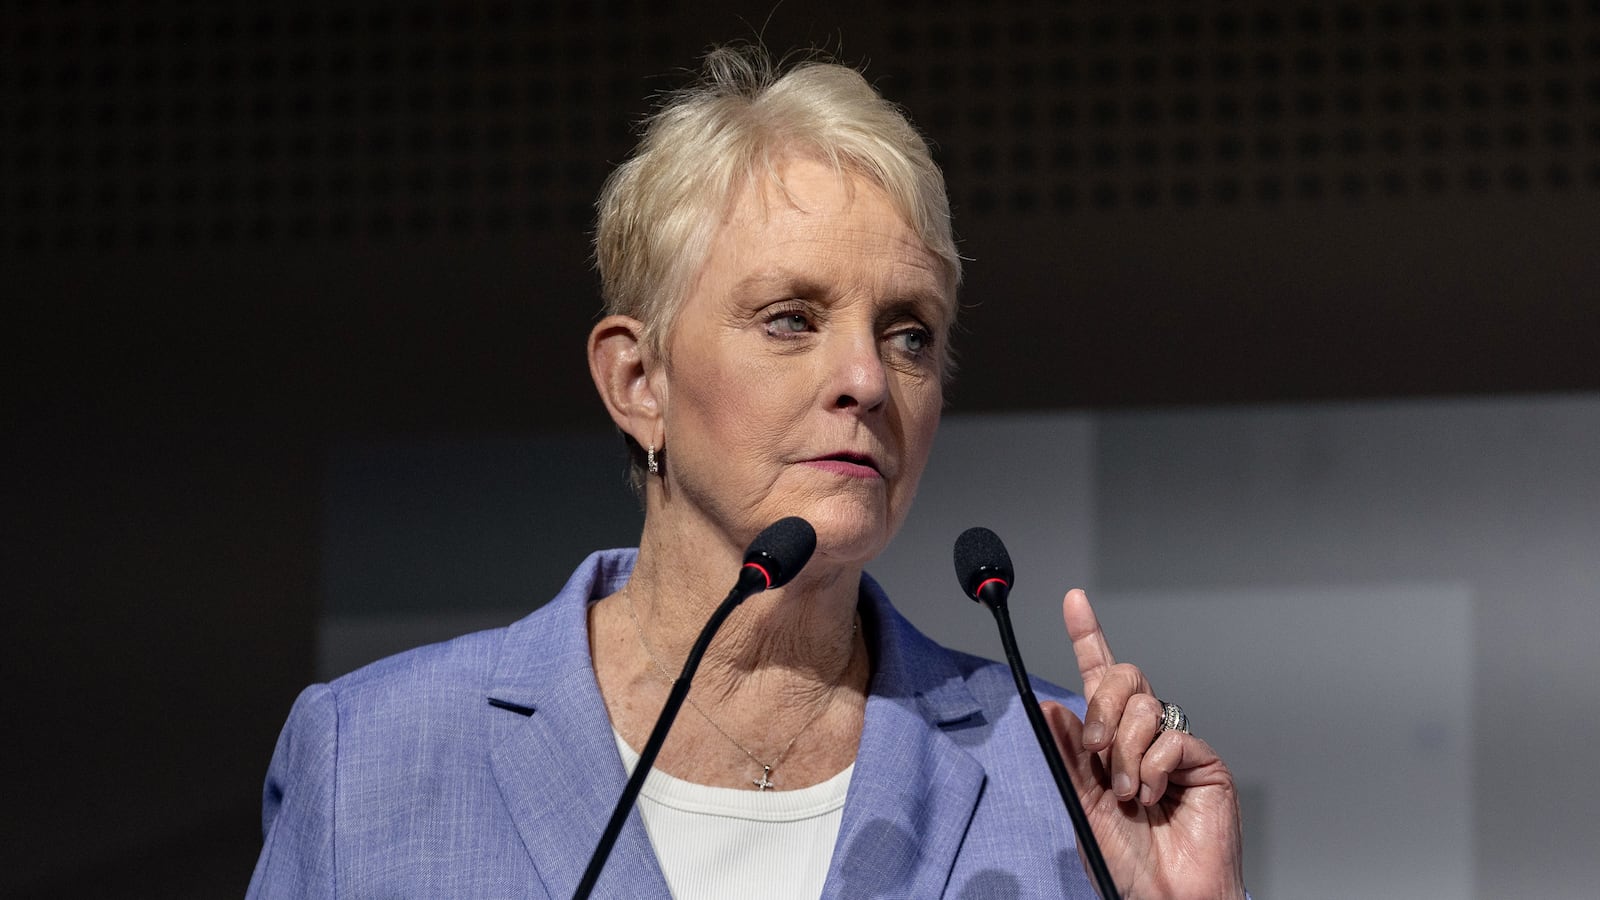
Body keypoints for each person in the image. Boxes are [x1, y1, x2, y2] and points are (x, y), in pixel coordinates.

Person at [247, 45, 1245, 899]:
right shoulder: (370, 759)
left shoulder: (1063, 775)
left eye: (907, 335)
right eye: (789, 320)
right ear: (638, 380)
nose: (864, 378)